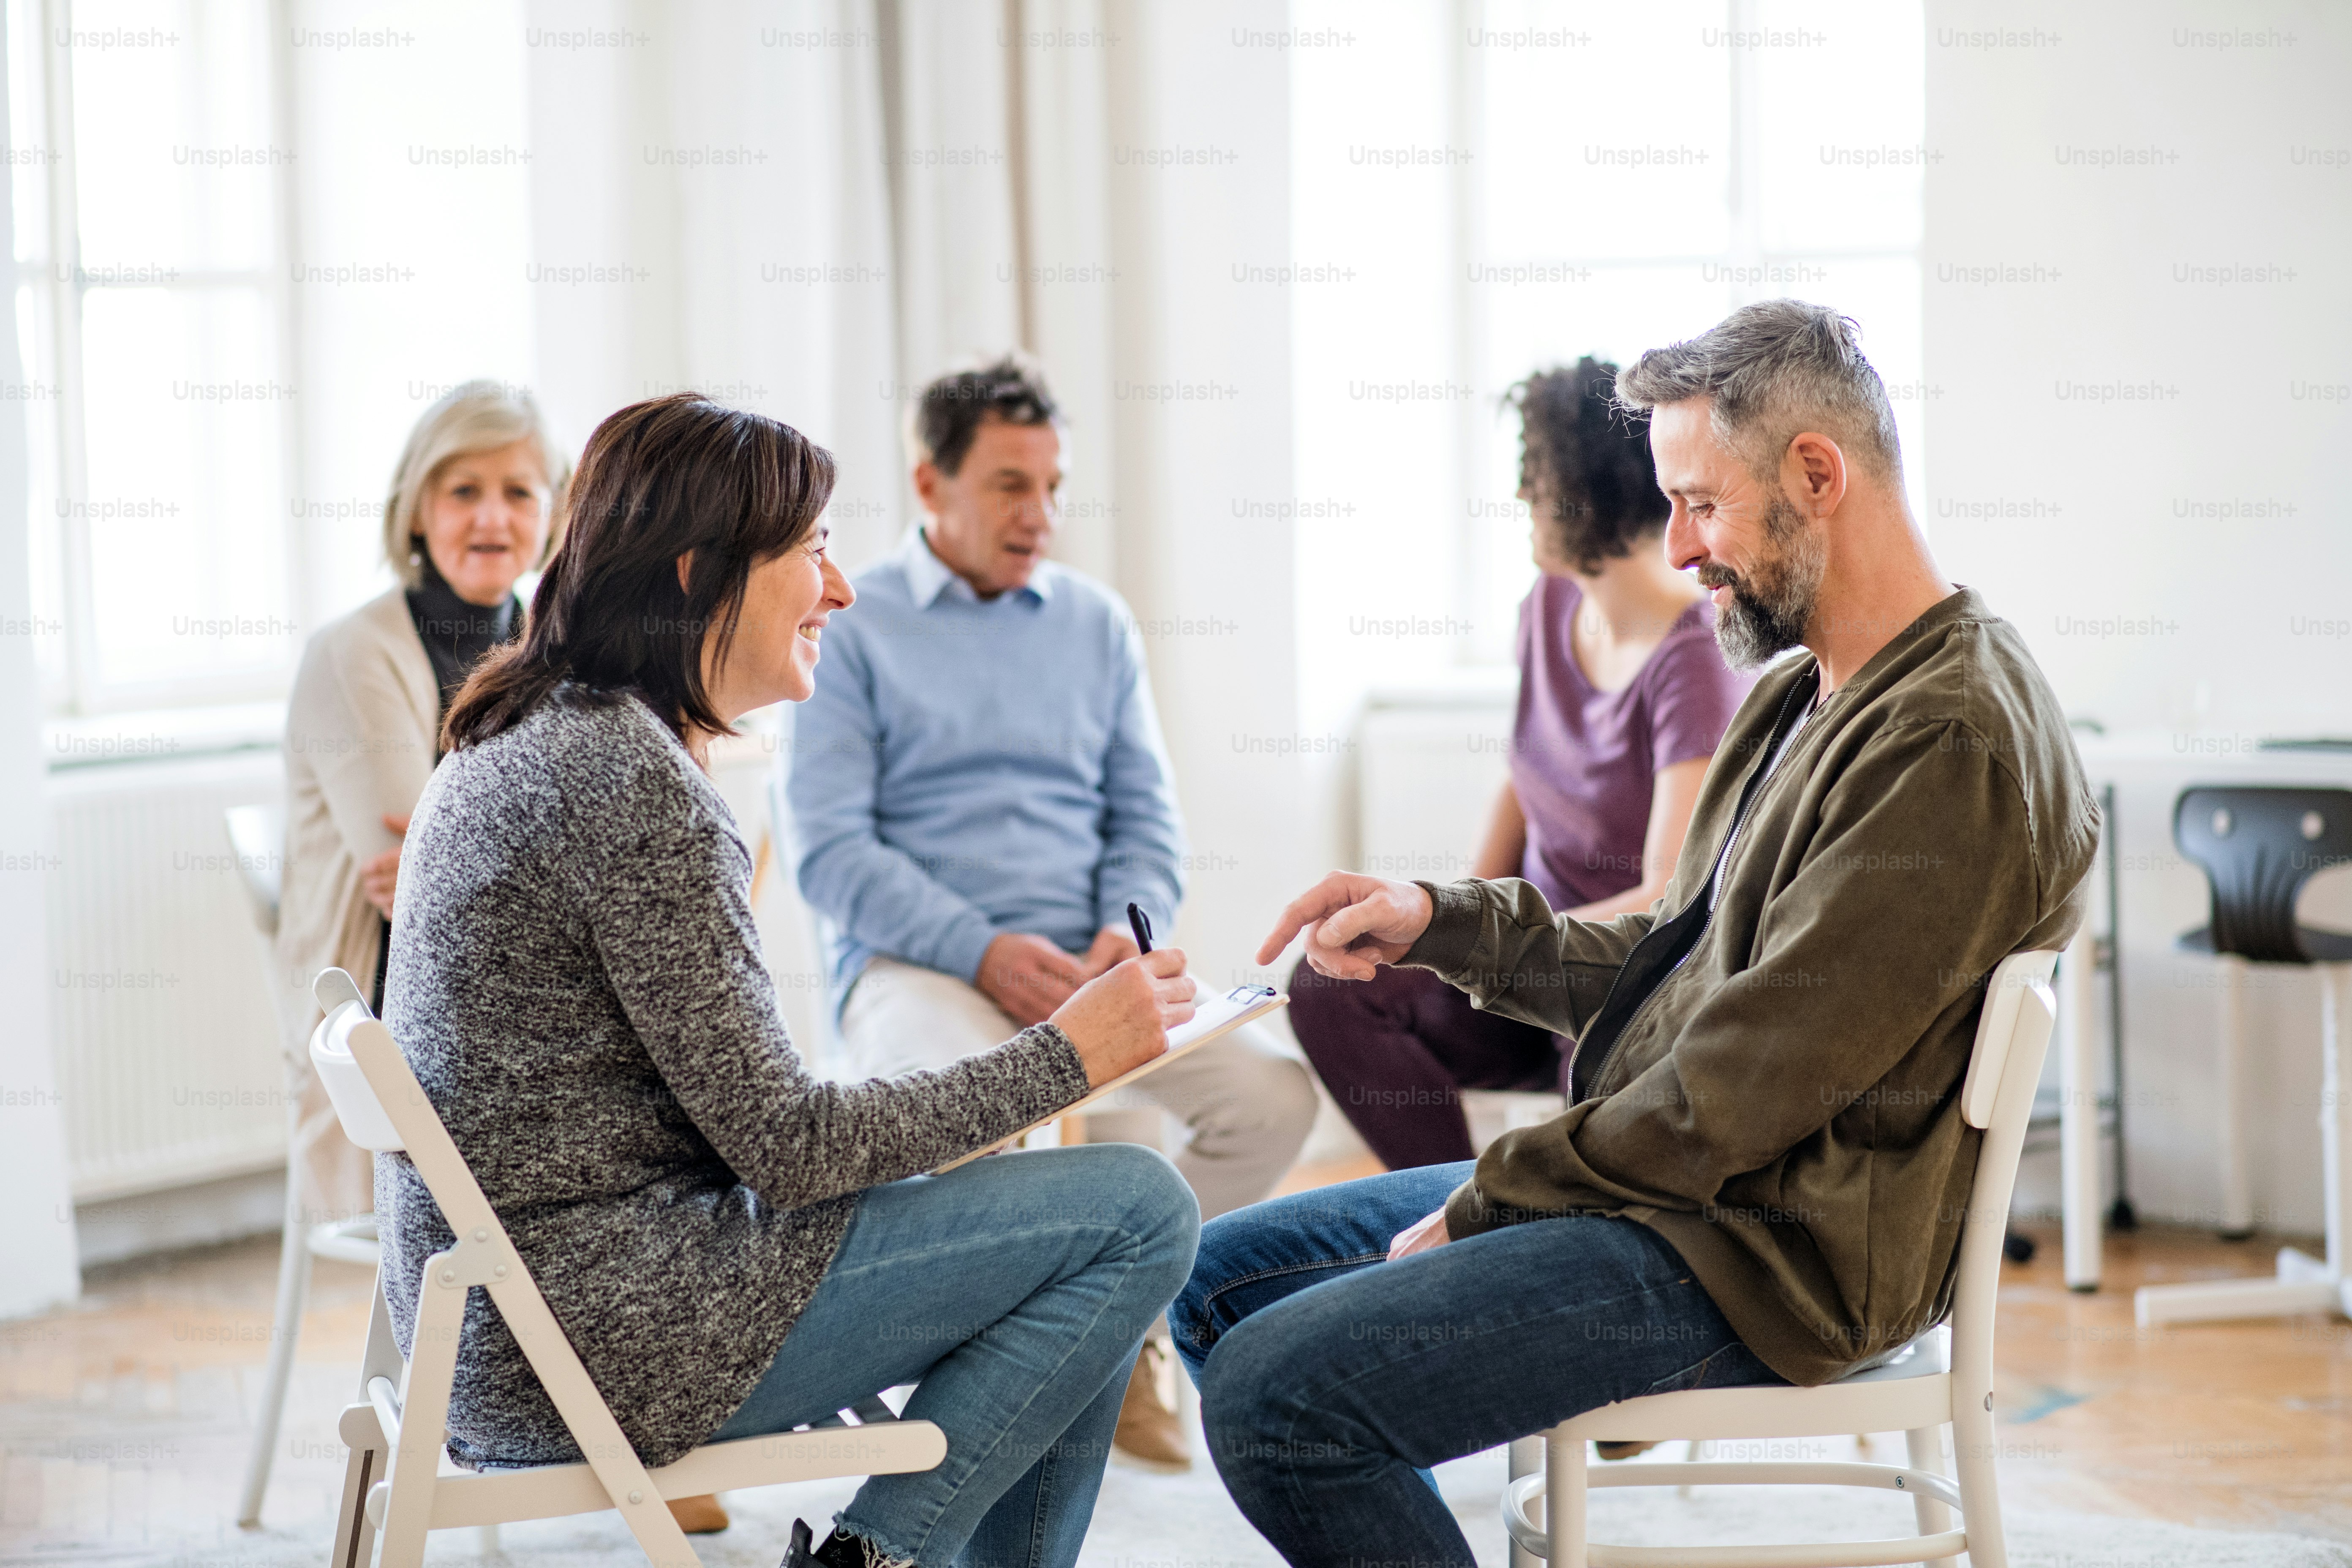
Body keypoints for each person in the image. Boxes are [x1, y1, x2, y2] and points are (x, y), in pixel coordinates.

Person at [1170, 300, 2101, 1565]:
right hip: (1688, 1198)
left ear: (1815, 476)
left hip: (1771, 1255)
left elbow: (1746, 1082)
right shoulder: (1802, 696)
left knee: (1281, 1404)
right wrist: (1441, 923)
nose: (1679, 550)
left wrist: (1502, 1195)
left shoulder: (1947, 741)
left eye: (1700, 505)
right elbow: (1676, 960)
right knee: (1204, 1276)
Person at [381, 393, 1200, 1568]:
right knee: (1136, 1211)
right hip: (604, 1334)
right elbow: (790, 1149)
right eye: (811, 551)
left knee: (1078, 1237)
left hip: (523, 1322)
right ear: (697, 574)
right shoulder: (625, 781)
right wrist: (1071, 1057)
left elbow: (745, 1122)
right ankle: (879, 1555)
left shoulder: (542, 730)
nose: (842, 588)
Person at [785, 356, 1317, 1470]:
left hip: (1090, 962)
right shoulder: (848, 619)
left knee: (1272, 1096)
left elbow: (1147, 820)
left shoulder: (1096, 623)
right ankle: (1022, 1368)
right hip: (924, 968)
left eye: (1054, 486)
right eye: (1012, 486)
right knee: (958, 1123)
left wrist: (1127, 935)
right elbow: (833, 853)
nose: (1043, 516)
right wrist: (981, 950)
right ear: (931, 485)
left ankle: (1113, 1339)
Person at [1289, 357, 1752, 1170]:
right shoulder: (1546, 606)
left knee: (1606, 1076)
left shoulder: (1695, 659)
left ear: (1588, 488)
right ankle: (1439, 1209)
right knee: (1329, 987)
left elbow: (1666, 899)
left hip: (1610, 977)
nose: (1520, 498)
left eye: (1533, 477)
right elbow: (1525, 774)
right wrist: (1456, 925)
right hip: (1520, 967)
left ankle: (1500, 1234)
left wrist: (1492, 944)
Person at [276, 381, 567, 1245]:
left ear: (553, 515)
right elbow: (420, 897)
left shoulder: (552, 647)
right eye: (462, 490)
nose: (492, 517)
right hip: (393, 1038)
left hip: (513, 1013)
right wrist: (553, 874)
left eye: (518, 490)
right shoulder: (355, 654)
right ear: (415, 510)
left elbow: (469, 872)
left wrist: (502, 867)